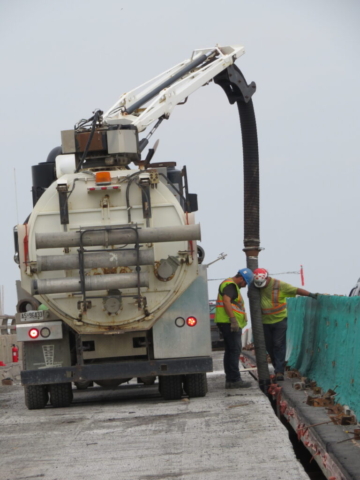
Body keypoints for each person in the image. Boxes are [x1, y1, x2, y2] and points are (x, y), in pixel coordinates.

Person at [253, 268, 318, 381]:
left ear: (267, 278)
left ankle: (279, 371)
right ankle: (276, 367)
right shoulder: (254, 285)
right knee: (269, 347)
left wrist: (311, 295)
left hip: (279, 320)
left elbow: (296, 290)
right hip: (264, 322)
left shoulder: (279, 285)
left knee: (278, 344)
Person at [214, 268, 254, 389]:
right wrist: (233, 320)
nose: (245, 285)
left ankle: (231, 380)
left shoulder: (229, 284)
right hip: (229, 323)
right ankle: (234, 380)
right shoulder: (231, 285)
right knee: (234, 351)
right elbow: (226, 302)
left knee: (230, 351)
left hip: (226, 323)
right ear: (241, 278)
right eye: (245, 283)